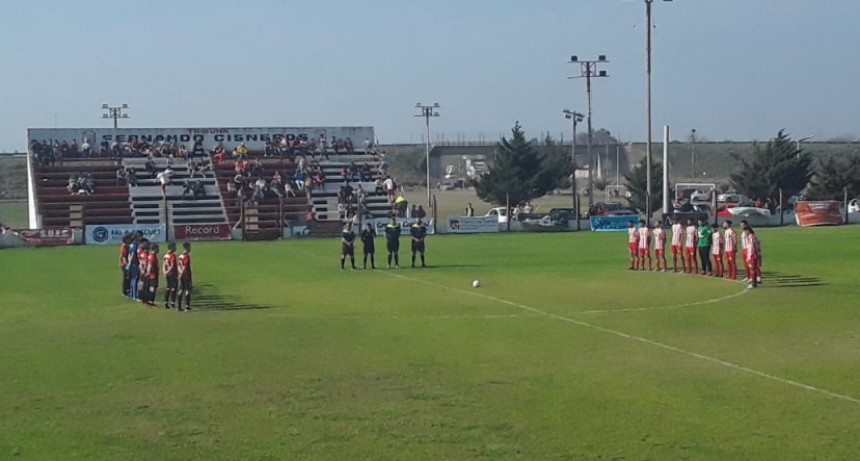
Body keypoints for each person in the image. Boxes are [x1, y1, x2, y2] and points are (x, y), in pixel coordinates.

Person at [176, 241, 193, 312]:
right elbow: (185, 266)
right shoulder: (186, 256)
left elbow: (179, 266)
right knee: (187, 290)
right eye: (189, 247)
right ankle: (187, 306)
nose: (190, 248)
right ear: (187, 247)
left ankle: (179, 307)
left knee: (180, 290)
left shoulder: (180, 256)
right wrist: (182, 273)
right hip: (186, 275)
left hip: (181, 275)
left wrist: (179, 273)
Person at [162, 242, 178, 309]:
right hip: (172, 274)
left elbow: (163, 265)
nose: (175, 248)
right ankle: (172, 303)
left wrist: (164, 272)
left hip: (167, 274)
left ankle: (166, 303)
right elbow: (172, 265)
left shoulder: (165, 255)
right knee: (174, 288)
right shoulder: (172, 256)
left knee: (168, 288)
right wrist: (168, 271)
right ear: (171, 247)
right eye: (174, 246)